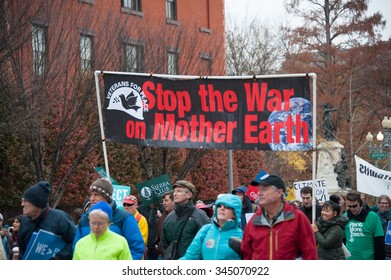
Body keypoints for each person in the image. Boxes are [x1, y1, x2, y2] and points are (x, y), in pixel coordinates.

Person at [241, 174, 317, 260]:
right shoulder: (254, 221)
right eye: (259, 189)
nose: (259, 193)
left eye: (264, 189)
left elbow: (310, 253)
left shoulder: (298, 218)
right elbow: (247, 254)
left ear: (279, 192)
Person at [73, 178, 145, 260]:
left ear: (106, 197)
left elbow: (137, 248)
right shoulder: (84, 219)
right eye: (91, 195)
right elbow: (76, 248)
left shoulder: (124, 218)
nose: (92, 198)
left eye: (96, 195)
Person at [18, 181, 76, 260]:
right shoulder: (24, 221)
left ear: (37, 202)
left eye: (25, 201)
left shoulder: (60, 218)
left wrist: (58, 258)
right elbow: (22, 251)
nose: (22, 204)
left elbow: (77, 241)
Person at [180, 194, 243, 260]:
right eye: (219, 206)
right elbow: (190, 257)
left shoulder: (242, 235)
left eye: (227, 207)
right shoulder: (206, 230)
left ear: (235, 214)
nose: (222, 208)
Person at [162, 180, 211, 259]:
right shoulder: (169, 217)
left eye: (179, 191)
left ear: (189, 195)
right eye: (174, 191)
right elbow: (165, 245)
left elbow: (208, 243)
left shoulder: (200, 216)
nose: (174, 194)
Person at [344, 191, 385, 260]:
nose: (352, 209)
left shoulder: (373, 216)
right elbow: (342, 239)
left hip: (367, 258)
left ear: (360, 203)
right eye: (349, 206)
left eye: (354, 206)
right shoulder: (345, 217)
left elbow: (379, 241)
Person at [156, 190, 175, 257]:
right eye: (163, 201)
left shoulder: (179, 217)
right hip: (162, 255)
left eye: (166, 200)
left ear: (173, 201)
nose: (163, 203)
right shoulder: (162, 217)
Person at [375, 194, 391, 259]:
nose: (384, 205)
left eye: (386, 203)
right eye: (382, 203)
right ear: (378, 204)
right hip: (381, 248)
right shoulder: (375, 216)